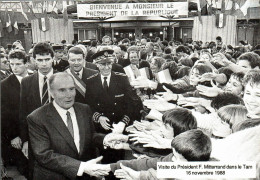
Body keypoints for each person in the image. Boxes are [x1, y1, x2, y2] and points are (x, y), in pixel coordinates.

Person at [27, 72, 115, 180]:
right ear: (51, 92)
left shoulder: (84, 109)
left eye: (71, 89)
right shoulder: (37, 118)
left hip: (86, 175)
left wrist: (105, 139)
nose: (69, 95)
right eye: (62, 90)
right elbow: (44, 155)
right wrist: (81, 167)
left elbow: (90, 136)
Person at [85, 49, 141, 164]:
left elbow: (132, 103)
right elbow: (89, 105)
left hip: (118, 126)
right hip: (101, 129)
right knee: (104, 159)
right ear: (97, 65)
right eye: (102, 64)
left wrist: (123, 123)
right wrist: (98, 117)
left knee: (119, 160)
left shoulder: (122, 79)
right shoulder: (91, 81)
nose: (106, 67)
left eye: (109, 64)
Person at [19, 42, 56, 179]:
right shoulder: (26, 82)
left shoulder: (63, 77)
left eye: (47, 59)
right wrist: (25, 140)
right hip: (36, 138)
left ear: (53, 58)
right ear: (34, 60)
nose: (44, 64)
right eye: (40, 60)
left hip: (60, 135)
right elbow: (23, 112)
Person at [1, 50, 30, 178]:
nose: (14, 67)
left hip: (38, 131)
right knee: (26, 170)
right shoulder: (4, 85)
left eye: (18, 64)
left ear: (26, 64)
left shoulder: (36, 78)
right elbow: (4, 114)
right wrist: (13, 135)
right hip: (18, 134)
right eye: (12, 64)